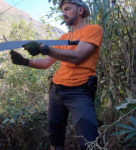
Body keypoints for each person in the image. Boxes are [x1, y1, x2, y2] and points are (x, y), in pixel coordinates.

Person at [10, 0, 103, 149]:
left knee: (90, 143)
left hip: (80, 92)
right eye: (62, 10)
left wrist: (44, 48)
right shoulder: (63, 38)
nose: (63, 13)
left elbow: (78, 56)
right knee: (55, 140)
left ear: (80, 11)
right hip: (56, 91)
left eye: (67, 9)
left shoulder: (93, 30)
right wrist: (25, 61)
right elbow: (46, 63)